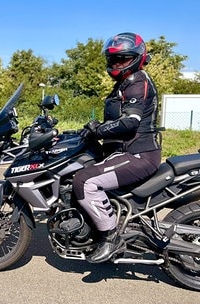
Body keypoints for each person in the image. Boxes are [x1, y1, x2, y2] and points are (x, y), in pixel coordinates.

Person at [72, 32, 161, 263]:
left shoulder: (137, 81)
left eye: (122, 59)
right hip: (125, 152)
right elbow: (116, 121)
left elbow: (130, 121)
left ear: (137, 57)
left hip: (137, 155)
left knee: (84, 181)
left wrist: (98, 130)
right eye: (113, 60)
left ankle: (111, 237)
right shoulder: (125, 83)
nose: (117, 64)